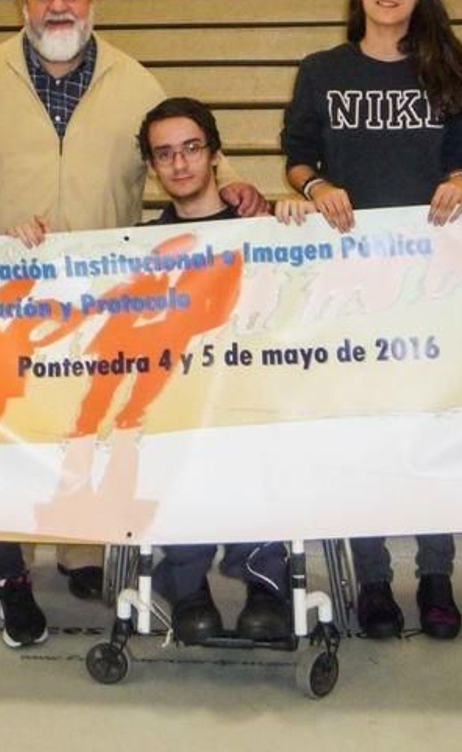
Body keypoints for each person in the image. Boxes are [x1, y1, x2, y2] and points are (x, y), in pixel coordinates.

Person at [0, 0, 264, 639]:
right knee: (9, 424)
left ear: (92, 3)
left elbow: (182, 143)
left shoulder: (134, 81)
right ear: (21, 5)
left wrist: (234, 181)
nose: (58, 7)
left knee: (84, 419)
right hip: (5, 280)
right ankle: (6, 554)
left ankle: (82, 549)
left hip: (104, 289)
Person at [280, 0, 462, 642]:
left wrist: (460, 182)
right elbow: (297, 157)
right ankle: (371, 580)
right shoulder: (321, 71)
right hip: (350, 283)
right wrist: (317, 186)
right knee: (362, 429)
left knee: (429, 428)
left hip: (430, 281)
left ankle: (436, 575)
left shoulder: (450, 71)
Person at [136, 96, 288, 645]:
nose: (179, 163)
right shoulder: (139, 247)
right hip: (179, 405)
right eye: (165, 154)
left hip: (251, 397)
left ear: (216, 155)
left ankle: (266, 584)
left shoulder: (265, 229)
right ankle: (188, 586)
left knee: (258, 435)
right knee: (167, 437)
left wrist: (297, 217)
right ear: (152, 167)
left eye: (191, 148)